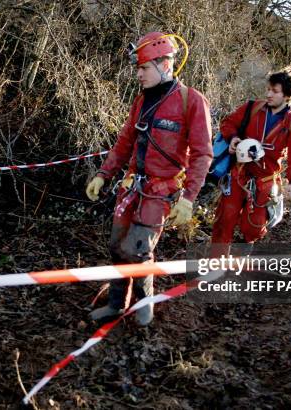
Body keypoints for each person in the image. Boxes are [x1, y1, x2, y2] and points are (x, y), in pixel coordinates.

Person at [85, 32, 212, 325]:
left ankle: (145, 305)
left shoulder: (190, 101)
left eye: (144, 68)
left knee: (137, 249)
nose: (138, 74)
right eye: (138, 68)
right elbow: (124, 142)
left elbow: (203, 154)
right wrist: (104, 174)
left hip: (161, 191)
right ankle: (117, 304)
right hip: (131, 186)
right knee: (117, 246)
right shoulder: (140, 101)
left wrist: (189, 198)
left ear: (165, 64)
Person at [210, 67, 291, 258]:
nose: (269, 94)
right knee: (225, 219)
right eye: (268, 89)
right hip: (239, 174)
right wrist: (233, 138)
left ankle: (244, 249)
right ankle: (216, 262)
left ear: (287, 95)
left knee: (253, 227)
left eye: (275, 91)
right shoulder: (252, 108)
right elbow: (228, 123)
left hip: (265, 182)